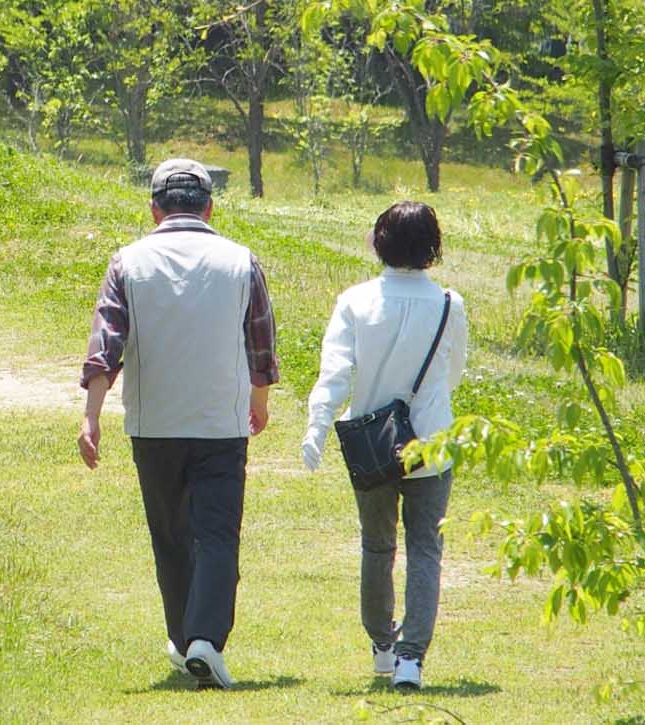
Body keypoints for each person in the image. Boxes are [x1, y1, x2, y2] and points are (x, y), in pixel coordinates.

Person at [78, 158, 279, 690]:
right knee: (217, 534)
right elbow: (261, 341)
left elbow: (106, 346)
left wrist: (91, 417)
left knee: (170, 535)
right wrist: (259, 400)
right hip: (221, 421)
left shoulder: (128, 262)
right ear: (211, 207)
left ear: (153, 210)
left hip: (155, 422)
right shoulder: (241, 261)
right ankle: (204, 641)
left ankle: (187, 637)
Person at [300, 201, 468, 691]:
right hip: (431, 440)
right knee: (424, 549)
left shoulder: (356, 300)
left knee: (377, 546)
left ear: (379, 241)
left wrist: (317, 425)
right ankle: (412, 658)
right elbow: (452, 374)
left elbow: (334, 372)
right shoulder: (448, 304)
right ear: (433, 247)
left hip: (373, 443)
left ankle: (382, 645)